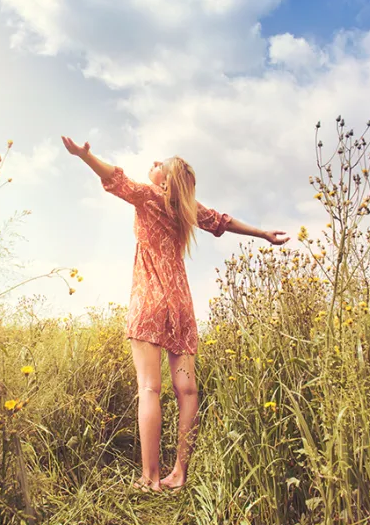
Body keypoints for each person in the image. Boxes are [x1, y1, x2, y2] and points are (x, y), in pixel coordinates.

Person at [61, 136, 289, 493]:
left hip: (150, 303)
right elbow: (223, 222)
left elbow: (114, 177)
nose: (152, 164)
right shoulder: (187, 208)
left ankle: (150, 478)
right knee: (187, 389)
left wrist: (85, 156)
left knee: (150, 388)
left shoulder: (150, 197)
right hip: (180, 305)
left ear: (165, 181)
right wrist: (262, 233)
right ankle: (179, 474)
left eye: (158, 165)